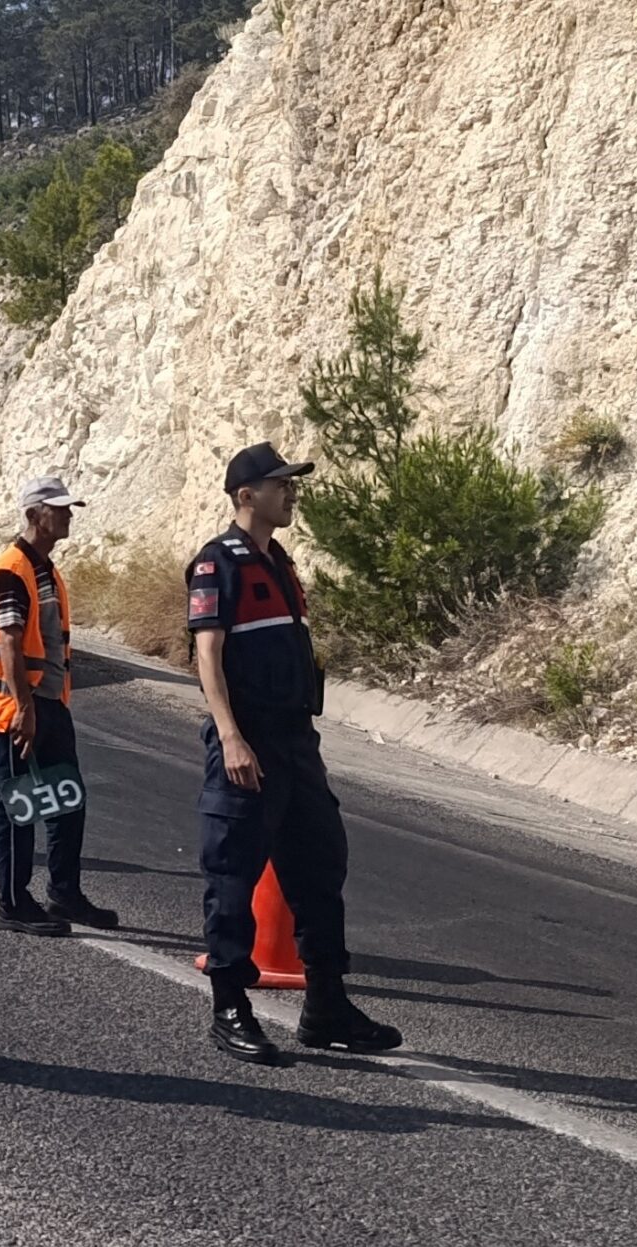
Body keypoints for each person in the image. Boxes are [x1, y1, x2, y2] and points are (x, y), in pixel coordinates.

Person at [187, 441, 402, 1064]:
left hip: (294, 742)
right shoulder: (216, 563)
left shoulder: (277, 560)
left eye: (292, 484)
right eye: (280, 485)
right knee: (233, 874)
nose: (292, 493)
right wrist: (230, 735)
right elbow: (207, 656)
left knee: (319, 866)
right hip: (248, 739)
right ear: (245, 495)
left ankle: (327, 1006)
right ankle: (230, 1008)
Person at [0, 476, 119, 936]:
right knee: (18, 803)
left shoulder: (43, 568)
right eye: (59, 508)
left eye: (69, 508)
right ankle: (13, 902)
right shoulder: (11, 569)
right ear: (33, 515)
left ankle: (64, 894)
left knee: (67, 798)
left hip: (48, 704)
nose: (68, 515)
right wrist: (23, 708)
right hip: (17, 708)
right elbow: (9, 640)